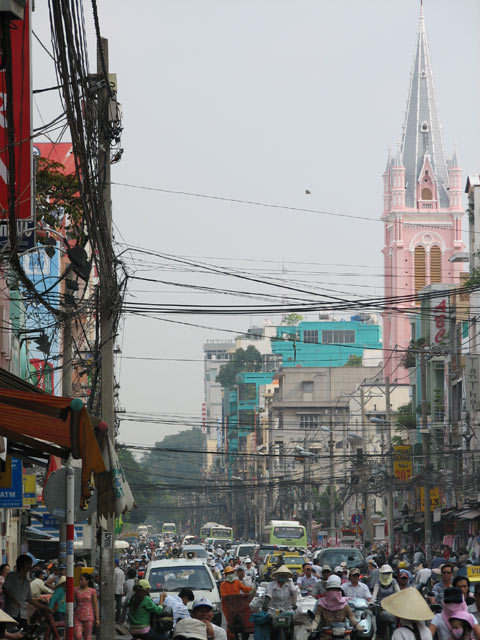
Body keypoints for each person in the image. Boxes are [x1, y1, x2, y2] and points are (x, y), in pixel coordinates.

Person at [3, 554, 45, 626]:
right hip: (11, 613)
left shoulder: (26, 582)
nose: (30, 567)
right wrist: (15, 600)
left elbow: (30, 599)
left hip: (23, 614)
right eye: (28, 564)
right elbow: (5, 589)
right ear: (22, 564)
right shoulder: (11, 576)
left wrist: (43, 607)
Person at [74, 572, 100, 640]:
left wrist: (97, 618)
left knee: (88, 636)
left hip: (89, 616)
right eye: (79, 579)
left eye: (82, 580)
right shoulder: (76, 590)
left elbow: (95, 605)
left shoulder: (92, 591)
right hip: (77, 615)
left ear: (87, 581)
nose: (80, 581)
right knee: (77, 636)